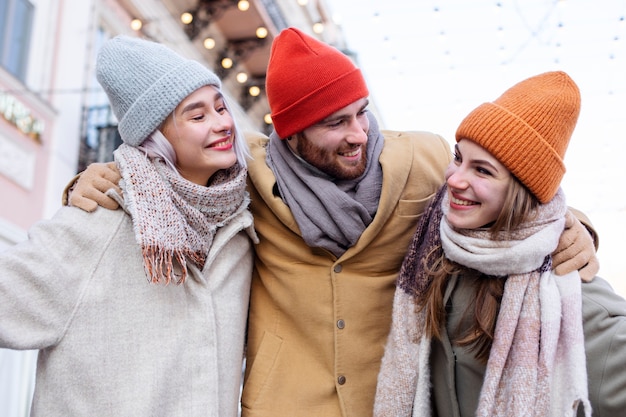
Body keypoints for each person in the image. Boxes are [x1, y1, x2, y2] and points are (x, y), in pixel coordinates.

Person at [66, 29, 600, 417]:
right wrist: (92, 180)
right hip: (282, 406)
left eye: (361, 111)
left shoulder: (426, 159)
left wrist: (575, 225)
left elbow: (510, 195)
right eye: (334, 122)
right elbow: (163, 169)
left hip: (391, 404)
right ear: (291, 133)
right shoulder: (244, 170)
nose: (359, 133)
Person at [0, 35, 257, 417]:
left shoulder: (243, 225)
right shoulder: (97, 223)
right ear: (156, 136)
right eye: (198, 116)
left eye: (221, 108)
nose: (222, 125)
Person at [374, 71, 626, 417]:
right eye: (459, 158)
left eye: (483, 171)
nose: (455, 180)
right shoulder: (431, 248)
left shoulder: (566, 293)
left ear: (522, 192)